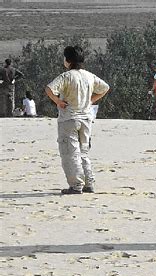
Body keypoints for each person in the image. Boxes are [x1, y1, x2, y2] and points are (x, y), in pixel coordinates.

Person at [45, 46, 109, 194]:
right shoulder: (89, 75)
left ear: (68, 60)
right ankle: (89, 182)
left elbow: (49, 89)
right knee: (84, 151)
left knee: (70, 152)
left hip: (69, 118)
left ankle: (76, 185)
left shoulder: (66, 76)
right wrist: (91, 100)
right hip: (86, 118)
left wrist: (58, 101)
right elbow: (105, 87)